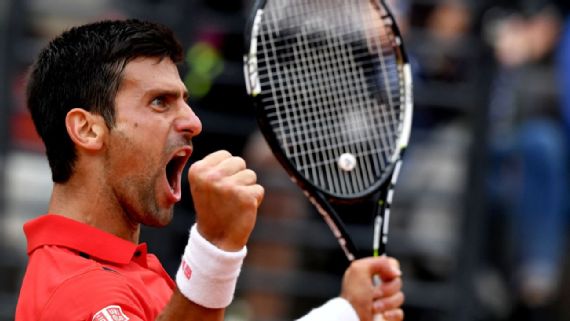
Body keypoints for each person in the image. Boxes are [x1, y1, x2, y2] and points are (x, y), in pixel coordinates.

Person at [14, 19, 404, 321]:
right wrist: (215, 245)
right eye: (160, 102)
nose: (193, 121)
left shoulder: (119, 268)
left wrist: (346, 311)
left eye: (184, 100)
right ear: (87, 129)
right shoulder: (78, 291)